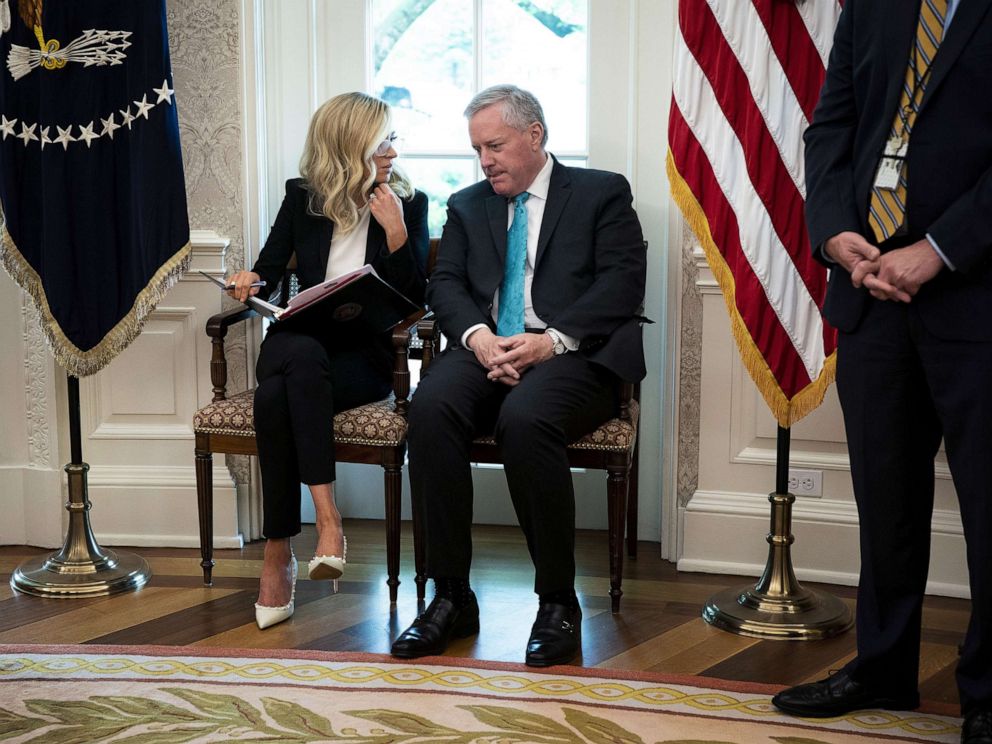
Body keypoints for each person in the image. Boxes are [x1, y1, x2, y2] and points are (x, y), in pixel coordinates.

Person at [771, 2, 992, 741]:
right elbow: (832, 124)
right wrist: (836, 231)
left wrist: (940, 248)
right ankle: (884, 667)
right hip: (871, 295)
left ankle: (987, 692)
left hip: (975, 295)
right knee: (887, 501)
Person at [390, 85, 646, 667]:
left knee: (525, 421)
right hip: (487, 345)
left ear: (535, 136)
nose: (485, 161)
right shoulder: (467, 202)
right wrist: (479, 340)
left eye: (495, 146)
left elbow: (622, 283)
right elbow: (446, 284)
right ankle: (451, 596)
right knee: (428, 409)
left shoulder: (602, 193)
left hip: (573, 354)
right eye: (478, 149)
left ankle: (557, 602)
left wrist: (548, 342)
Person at [225, 92, 428, 630]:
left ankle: (277, 553)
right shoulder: (303, 199)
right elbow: (269, 266)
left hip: (359, 358)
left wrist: (397, 231)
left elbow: (414, 299)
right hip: (297, 343)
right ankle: (328, 518)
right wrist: (250, 281)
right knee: (300, 349)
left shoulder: (410, 200)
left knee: (276, 396)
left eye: (392, 138)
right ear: (350, 146)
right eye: (382, 140)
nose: (392, 150)